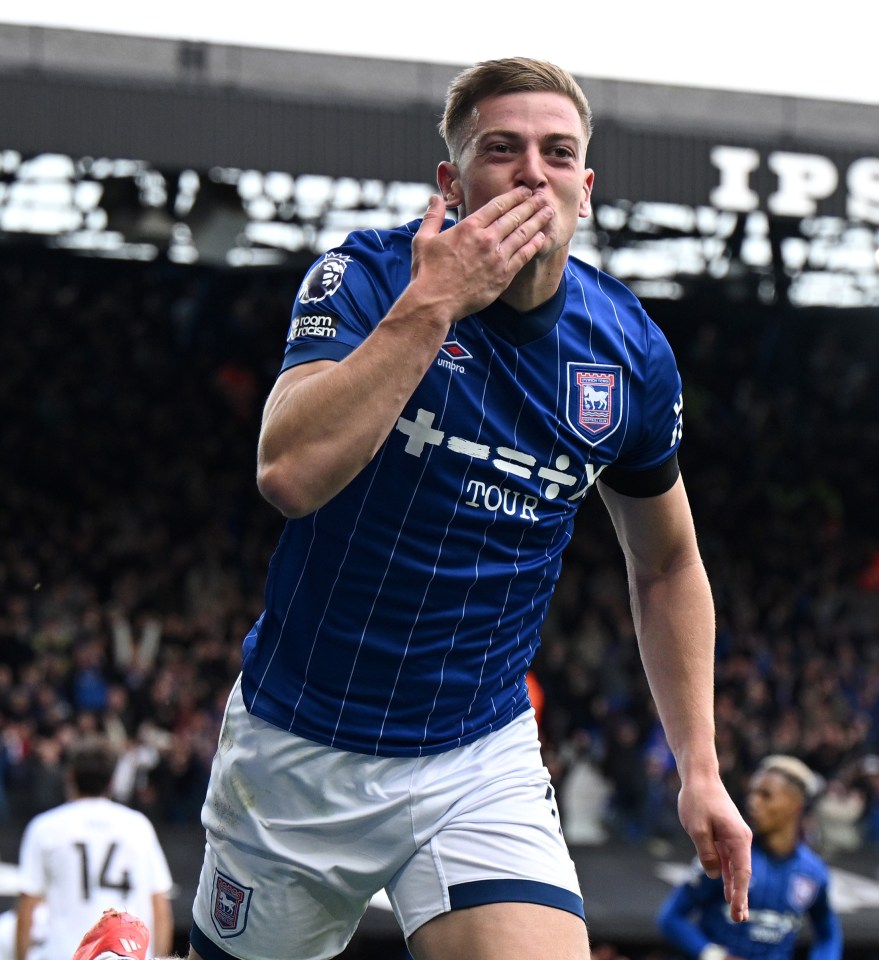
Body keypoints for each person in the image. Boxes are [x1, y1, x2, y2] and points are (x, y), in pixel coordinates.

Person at [74, 56, 751, 960]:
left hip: (477, 753)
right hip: (303, 743)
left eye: (557, 153)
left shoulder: (626, 351)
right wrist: (433, 302)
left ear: (584, 190)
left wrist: (698, 770)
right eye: (499, 150)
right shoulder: (363, 275)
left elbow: (667, 563)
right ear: (451, 180)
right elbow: (288, 471)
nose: (529, 173)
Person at [657, 755, 842, 960]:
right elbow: (671, 917)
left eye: (766, 795)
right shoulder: (727, 855)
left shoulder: (813, 872)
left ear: (795, 804)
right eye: (752, 793)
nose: (753, 802)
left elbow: (829, 934)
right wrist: (715, 956)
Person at [15, 735, 174, 960]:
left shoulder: (45, 827)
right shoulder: (138, 826)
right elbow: (160, 907)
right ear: (111, 780)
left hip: (64, 954)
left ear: (70, 777)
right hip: (126, 956)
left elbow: (26, 910)